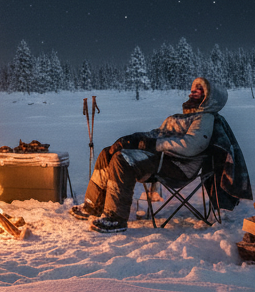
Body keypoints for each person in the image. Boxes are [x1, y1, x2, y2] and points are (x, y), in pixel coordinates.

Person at [73, 77, 229, 233]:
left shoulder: (204, 118)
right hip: (163, 159)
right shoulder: (181, 117)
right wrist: (133, 139)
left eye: (199, 89)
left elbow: (192, 145)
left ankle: (116, 218)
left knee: (123, 159)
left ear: (209, 97)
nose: (193, 92)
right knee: (108, 153)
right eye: (193, 89)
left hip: (180, 166)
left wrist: (153, 144)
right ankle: (93, 205)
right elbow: (157, 133)